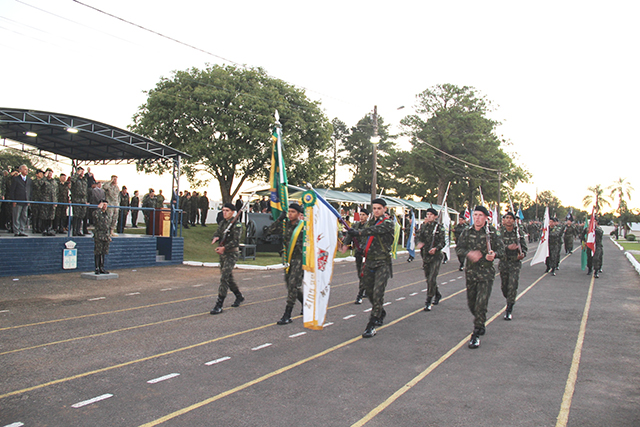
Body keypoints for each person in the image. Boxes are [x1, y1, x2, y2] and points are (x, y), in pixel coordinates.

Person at [455, 205, 505, 349]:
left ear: (486, 218)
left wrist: (494, 255)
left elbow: (502, 250)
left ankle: (476, 333)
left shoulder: (492, 233)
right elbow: (459, 248)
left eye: (480, 215)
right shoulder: (466, 232)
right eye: (475, 215)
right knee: (472, 304)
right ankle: (480, 320)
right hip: (471, 274)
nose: (477, 218)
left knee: (481, 303)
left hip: (486, 274)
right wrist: (469, 254)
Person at [346, 198, 395, 338]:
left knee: (378, 292)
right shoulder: (370, 222)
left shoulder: (388, 223)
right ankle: (380, 311)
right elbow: (365, 238)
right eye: (374, 208)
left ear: (385, 209)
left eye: (379, 208)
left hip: (382, 263)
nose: (376, 211)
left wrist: (359, 232)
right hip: (369, 262)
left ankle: (371, 324)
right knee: (368, 290)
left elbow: (374, 231)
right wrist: (359, 244)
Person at [264, 203, 305, 325]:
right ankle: (305, 304)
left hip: (299, 260)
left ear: (299, 214)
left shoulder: (303, 227)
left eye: (293, 212)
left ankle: (287, 314)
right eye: (289, 211)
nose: (290, 214)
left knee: (292, 285)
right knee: (291, 286)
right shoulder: (284, 224)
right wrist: (279, 219)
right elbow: (268, 232)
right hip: (288, 260)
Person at [209, 203, 245, 314]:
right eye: (223, 210)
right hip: (223, 254)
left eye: (227, 210)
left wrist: (224, 248)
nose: (224, 212)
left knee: (224, 277)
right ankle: (239, 296)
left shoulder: (237, 225)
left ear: (233, 212)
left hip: (231, 254)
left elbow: (235, 241)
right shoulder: (223, 223)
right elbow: (218, 232)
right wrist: (216, 237)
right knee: (228, 278)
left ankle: (219, 304)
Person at [498, 212, 527, 320]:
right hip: (504, 262)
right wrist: (507, 247)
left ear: (514, 221)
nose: (509, 220)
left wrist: (522, 254)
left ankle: (509, 309)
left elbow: (524, 247)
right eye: (507, 218)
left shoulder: (518, 233)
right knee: (504, 287)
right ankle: (509, 299)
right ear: (504, 220)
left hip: (515, 263)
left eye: (511, 218)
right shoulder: (499, 232)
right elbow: (496, 246)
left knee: (512, 286)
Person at [416, 207, 445, 312]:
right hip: (426, 256)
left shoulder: (439, 228)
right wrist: (419, 243)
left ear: (435, 216)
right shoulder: (423, 226)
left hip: (436, 256)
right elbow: (418, 236)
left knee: (432, 278)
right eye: (427, 214)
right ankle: (437, 294)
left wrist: (436, 248)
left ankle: (428, 300)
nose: (429, 216)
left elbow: (443, 242)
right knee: (429, 279)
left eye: (431, 215)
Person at [341, 208, 369, 304]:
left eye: (364, 215)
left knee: (363, 273)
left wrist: (364, 248)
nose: (361, 217)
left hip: (367, 253)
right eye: (360, 214)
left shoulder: (369, 226)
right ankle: (365, 288)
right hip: (358, 253)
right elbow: (349, 235)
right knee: (359, 273)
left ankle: (360, 295)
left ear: (367, 216)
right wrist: (345, 245)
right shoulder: (355, 225)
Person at [9, 164, 32, 236]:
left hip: (25, 201)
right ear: (20, 170)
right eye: (25, 169)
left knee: (24, 216)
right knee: (16, 216)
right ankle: (16, 231)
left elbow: (30, 191)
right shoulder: (16, 179)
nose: (26, 171)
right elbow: (12, 190)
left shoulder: (29, 180)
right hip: (18, 201)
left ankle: (22, 230)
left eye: (27, 169)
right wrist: (13, 200)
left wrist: (29, 200)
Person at [92, 200, 112, 274]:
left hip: (105, 235)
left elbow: (108, 226)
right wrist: (98, 208)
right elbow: (95, 216)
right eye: (103, 205)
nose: (105, 206)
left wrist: (109, 235)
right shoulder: (97, 213)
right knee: (98, 252)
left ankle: (102, 267)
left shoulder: (107, 214)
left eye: (106, 205)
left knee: (104, 252)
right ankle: (97, 267)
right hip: (99, 235)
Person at [40, 168, 58, 236]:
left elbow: (56, 192)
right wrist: (44, 176)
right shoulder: (44, 180)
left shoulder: (54, 181)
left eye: (51, 173)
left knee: (51, 216)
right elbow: (40, 184)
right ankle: (44, 229)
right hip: (45, 200)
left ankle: (49, 229)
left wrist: (55, 201)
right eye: (49, 173)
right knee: (45, 216)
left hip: (52, 201)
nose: (50, 175)